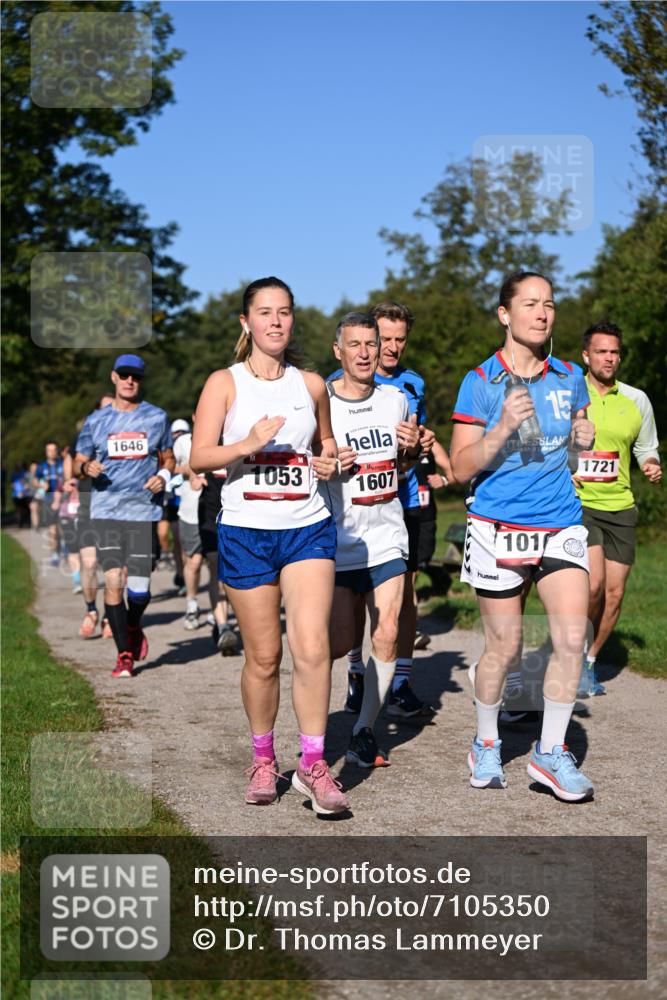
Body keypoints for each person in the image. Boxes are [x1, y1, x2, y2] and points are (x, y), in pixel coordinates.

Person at [190, 276, 348, 815]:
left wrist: (330, 460)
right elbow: (198, 457)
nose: (275, 321)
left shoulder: (310, 386)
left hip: (307, 526)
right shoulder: (225, 383)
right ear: (246, 322)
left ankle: (313, 763)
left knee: (313, 647)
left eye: (284, 312)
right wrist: (247, 444)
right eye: (264, 312)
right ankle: (262, 758)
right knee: (264, 656)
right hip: (247, 531)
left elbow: (325, 445)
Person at [450, 270, 596, 803]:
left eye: (550, 304)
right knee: (505, 648)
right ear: (505, 314)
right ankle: (485, 741)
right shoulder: (481, 381)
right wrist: (500, 428)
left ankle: (550, 753)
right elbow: (463, 467)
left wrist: (585, 436)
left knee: (571, 637)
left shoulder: (569, 375)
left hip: (560, 521)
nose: (542, 312)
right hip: (497, 527)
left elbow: (576, 443)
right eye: (530, 304)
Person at [331, 302, 435, 717]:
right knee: (350, 613)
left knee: (400, 601)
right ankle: (355, 668)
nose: (385, 348)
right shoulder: (326, 393)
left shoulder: (406, 390)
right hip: (347, 520)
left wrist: (418, 448)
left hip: (399, 505)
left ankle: (396, 685)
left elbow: (410, 446)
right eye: (380, 339)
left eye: (394, 340)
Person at [574, 322, 662, 697]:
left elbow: (645, 446)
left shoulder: (636, 399)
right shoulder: (570, 393)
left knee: (614, 594)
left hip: (621, 506)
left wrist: (651, 462)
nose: (609, 359)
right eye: (602, 352)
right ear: (586, 356)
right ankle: (573, 660)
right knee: (592, 585)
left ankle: (589, 662)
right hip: (581, 504)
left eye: (614, 352)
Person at [74, 354, 174, 677]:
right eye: (125, 375)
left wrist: (164, 476)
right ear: (114, 377)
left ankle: (132, 626)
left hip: (143, 510)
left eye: (137, 377)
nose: (131, 381)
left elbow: (168, 458)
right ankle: (124, 655)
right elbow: (79, 458)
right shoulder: (96, 420)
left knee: (140, 591)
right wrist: (86, 467)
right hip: (106, 512)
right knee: (114, 581)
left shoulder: (157, 417)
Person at [69, 395, 115, 639]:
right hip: (89, 505)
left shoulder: (127, 432)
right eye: (105, 408)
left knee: (112, 566)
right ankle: (90, 611)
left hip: (116, 508)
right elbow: (75, 464)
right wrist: (84, 470)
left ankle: (110, 614)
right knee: (89, 564)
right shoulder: (87, 434)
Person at [197, 464, 238, 654]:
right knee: (215, 566)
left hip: (239, 510)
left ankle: (233, 620)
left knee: (232, 567)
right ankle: (223, 626)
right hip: (210, 509)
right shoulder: (209, 437)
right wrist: (194, 478)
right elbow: (192, 468)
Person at [33, 442, 64, 565]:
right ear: (46, 452)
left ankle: (64, 546)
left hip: (63, 498)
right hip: (48, 499)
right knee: (52, 529)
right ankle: (55, 553)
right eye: (49, 450)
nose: (52, 452)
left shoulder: (62, 464)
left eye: (54, 450)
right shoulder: (41, 467)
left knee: (63, 527)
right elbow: (35, 481)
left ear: (57, 451)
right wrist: (41, 485)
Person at [11, 463, 32, 528]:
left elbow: (27, 485)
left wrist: (22, 491)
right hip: (17, 494)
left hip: (24, 494)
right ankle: (21, 522)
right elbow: (12, 484)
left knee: (23, 509)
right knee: (20, 509)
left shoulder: (25, 474)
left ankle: (24, 522)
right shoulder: (14, 474)